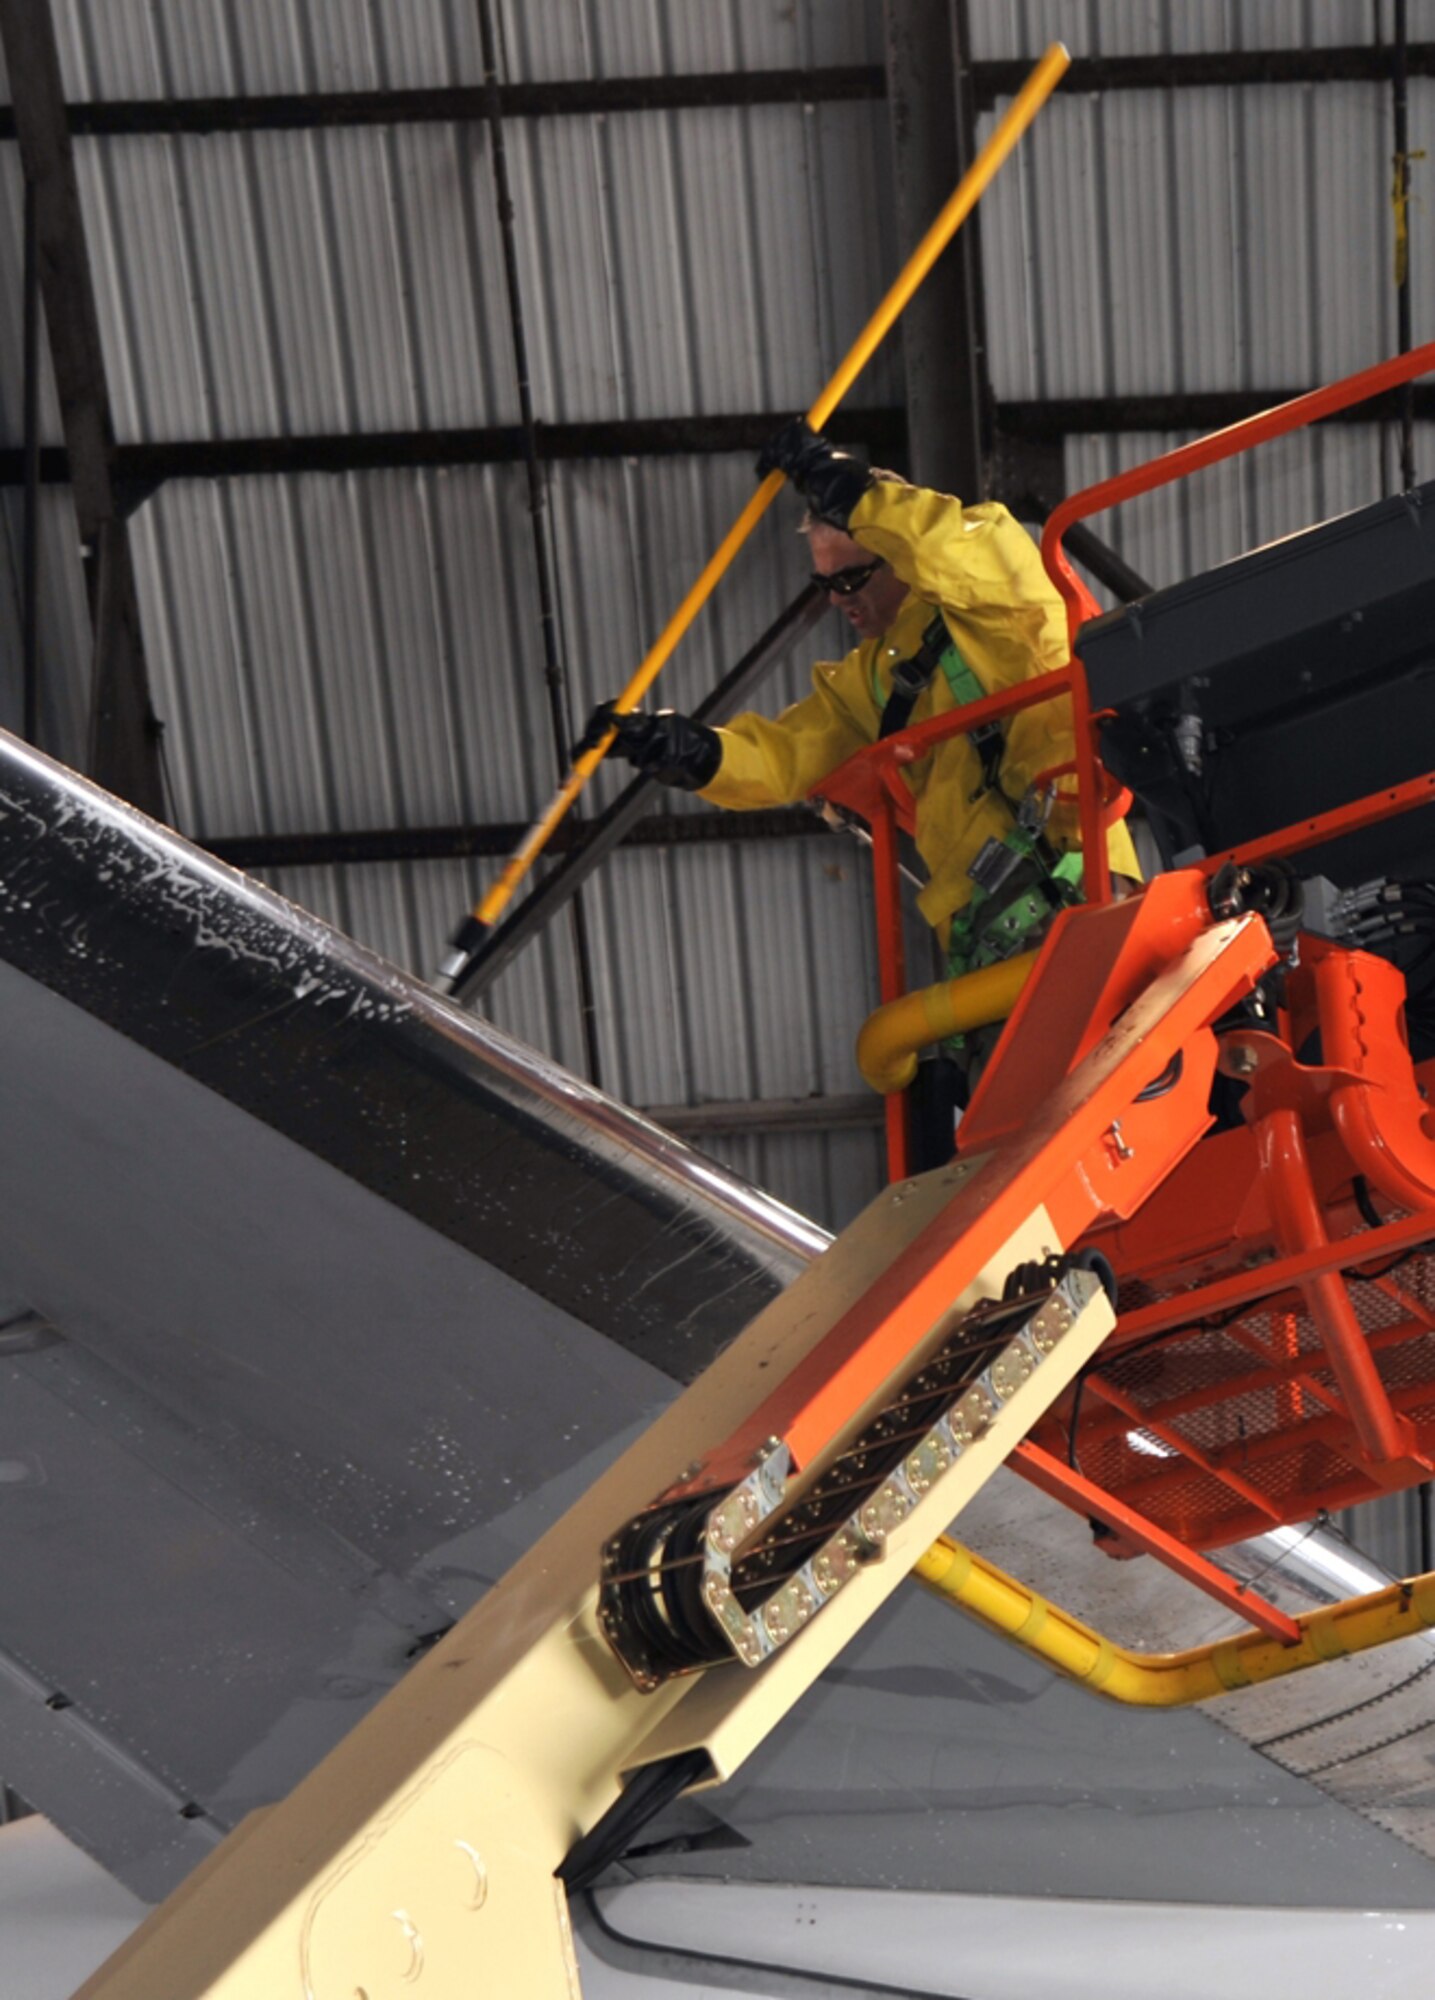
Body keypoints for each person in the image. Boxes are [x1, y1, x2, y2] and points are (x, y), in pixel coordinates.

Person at [579, 421, 1139, 998]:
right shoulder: (871, 683)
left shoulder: (1001, 597)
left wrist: (848, 489)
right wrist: (687, 751)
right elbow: (784, 756)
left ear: (895, 552)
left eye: (850, 578)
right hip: (981, 931)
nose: (837, 599)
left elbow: (940, 543)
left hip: (1074, 878)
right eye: (824, 584)